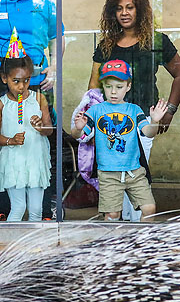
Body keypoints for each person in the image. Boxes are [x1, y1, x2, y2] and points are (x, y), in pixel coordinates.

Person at [87, 0, 180, 220]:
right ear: (112, 13)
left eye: (130, 7)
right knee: (114, 180)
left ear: (139, 10)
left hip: (142, 122)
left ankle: (134, 232)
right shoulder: (106, 45)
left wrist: (169, 111)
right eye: (119, 8)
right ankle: (120, 232)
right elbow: (93, 86)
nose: (124, 13)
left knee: (135, 178)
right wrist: (91, 125)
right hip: (109, 125)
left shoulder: (156, 41)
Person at [72, 60, 168, 221]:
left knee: (149, 209)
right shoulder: (95, 110)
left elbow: (148, 133)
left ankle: (141, 237)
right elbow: (78, 136)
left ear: (128, 86)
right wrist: (78, 128)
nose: (113, 92)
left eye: (119, 87)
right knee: (112, 214)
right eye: (108, 86)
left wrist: (155, 121)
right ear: (103, 86)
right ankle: (111, 238)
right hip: (108, 173)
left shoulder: (134, 109)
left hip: (134, 172)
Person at [0, 42, 53, 221]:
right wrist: (11, 140)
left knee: (36, 210)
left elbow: (49, 130)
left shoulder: (39, 99)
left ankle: (34, 240)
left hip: (35, 159)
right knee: (18, 207)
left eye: (26, 80)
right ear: (5, 78)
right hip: (12, 161)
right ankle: (11, 238)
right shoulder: (0, 105)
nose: (22, 86)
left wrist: (41, 127)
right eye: (16, 81)